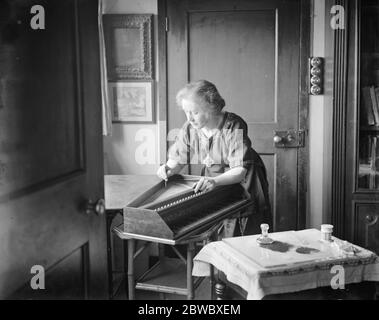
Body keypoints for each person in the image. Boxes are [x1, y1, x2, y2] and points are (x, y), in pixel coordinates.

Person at [157, 80, 271, 237]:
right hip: (214, 180)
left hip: (244, 181)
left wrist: (214, 181)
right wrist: (167, 169)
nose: (189, 118)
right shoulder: (190, 128)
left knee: (242, 231)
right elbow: (178, 159)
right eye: (186, 112)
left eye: (195, 112)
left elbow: (239, 171)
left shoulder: (233, 125)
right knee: (215, 227)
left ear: (211, 107)